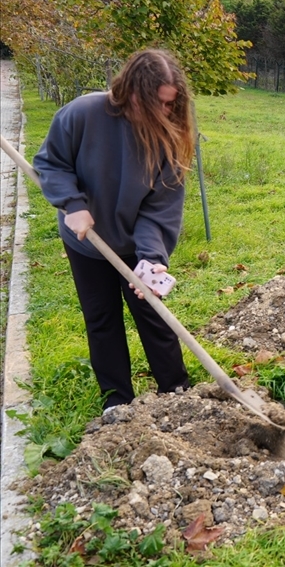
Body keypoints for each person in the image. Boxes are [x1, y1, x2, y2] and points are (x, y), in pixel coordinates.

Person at [33, 48, 195, 411]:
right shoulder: (83, 113)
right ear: (132, 92)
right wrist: (72, 204)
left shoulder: (167, 137)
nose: (167, 113)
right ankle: (117, 402)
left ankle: (179, 394)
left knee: (153, 315)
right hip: (85, 241)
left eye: (172, 105)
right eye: (160, 104)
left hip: (135, 245)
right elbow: (51, 162)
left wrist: (151, 258)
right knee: (102, 318)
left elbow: (160, 207)